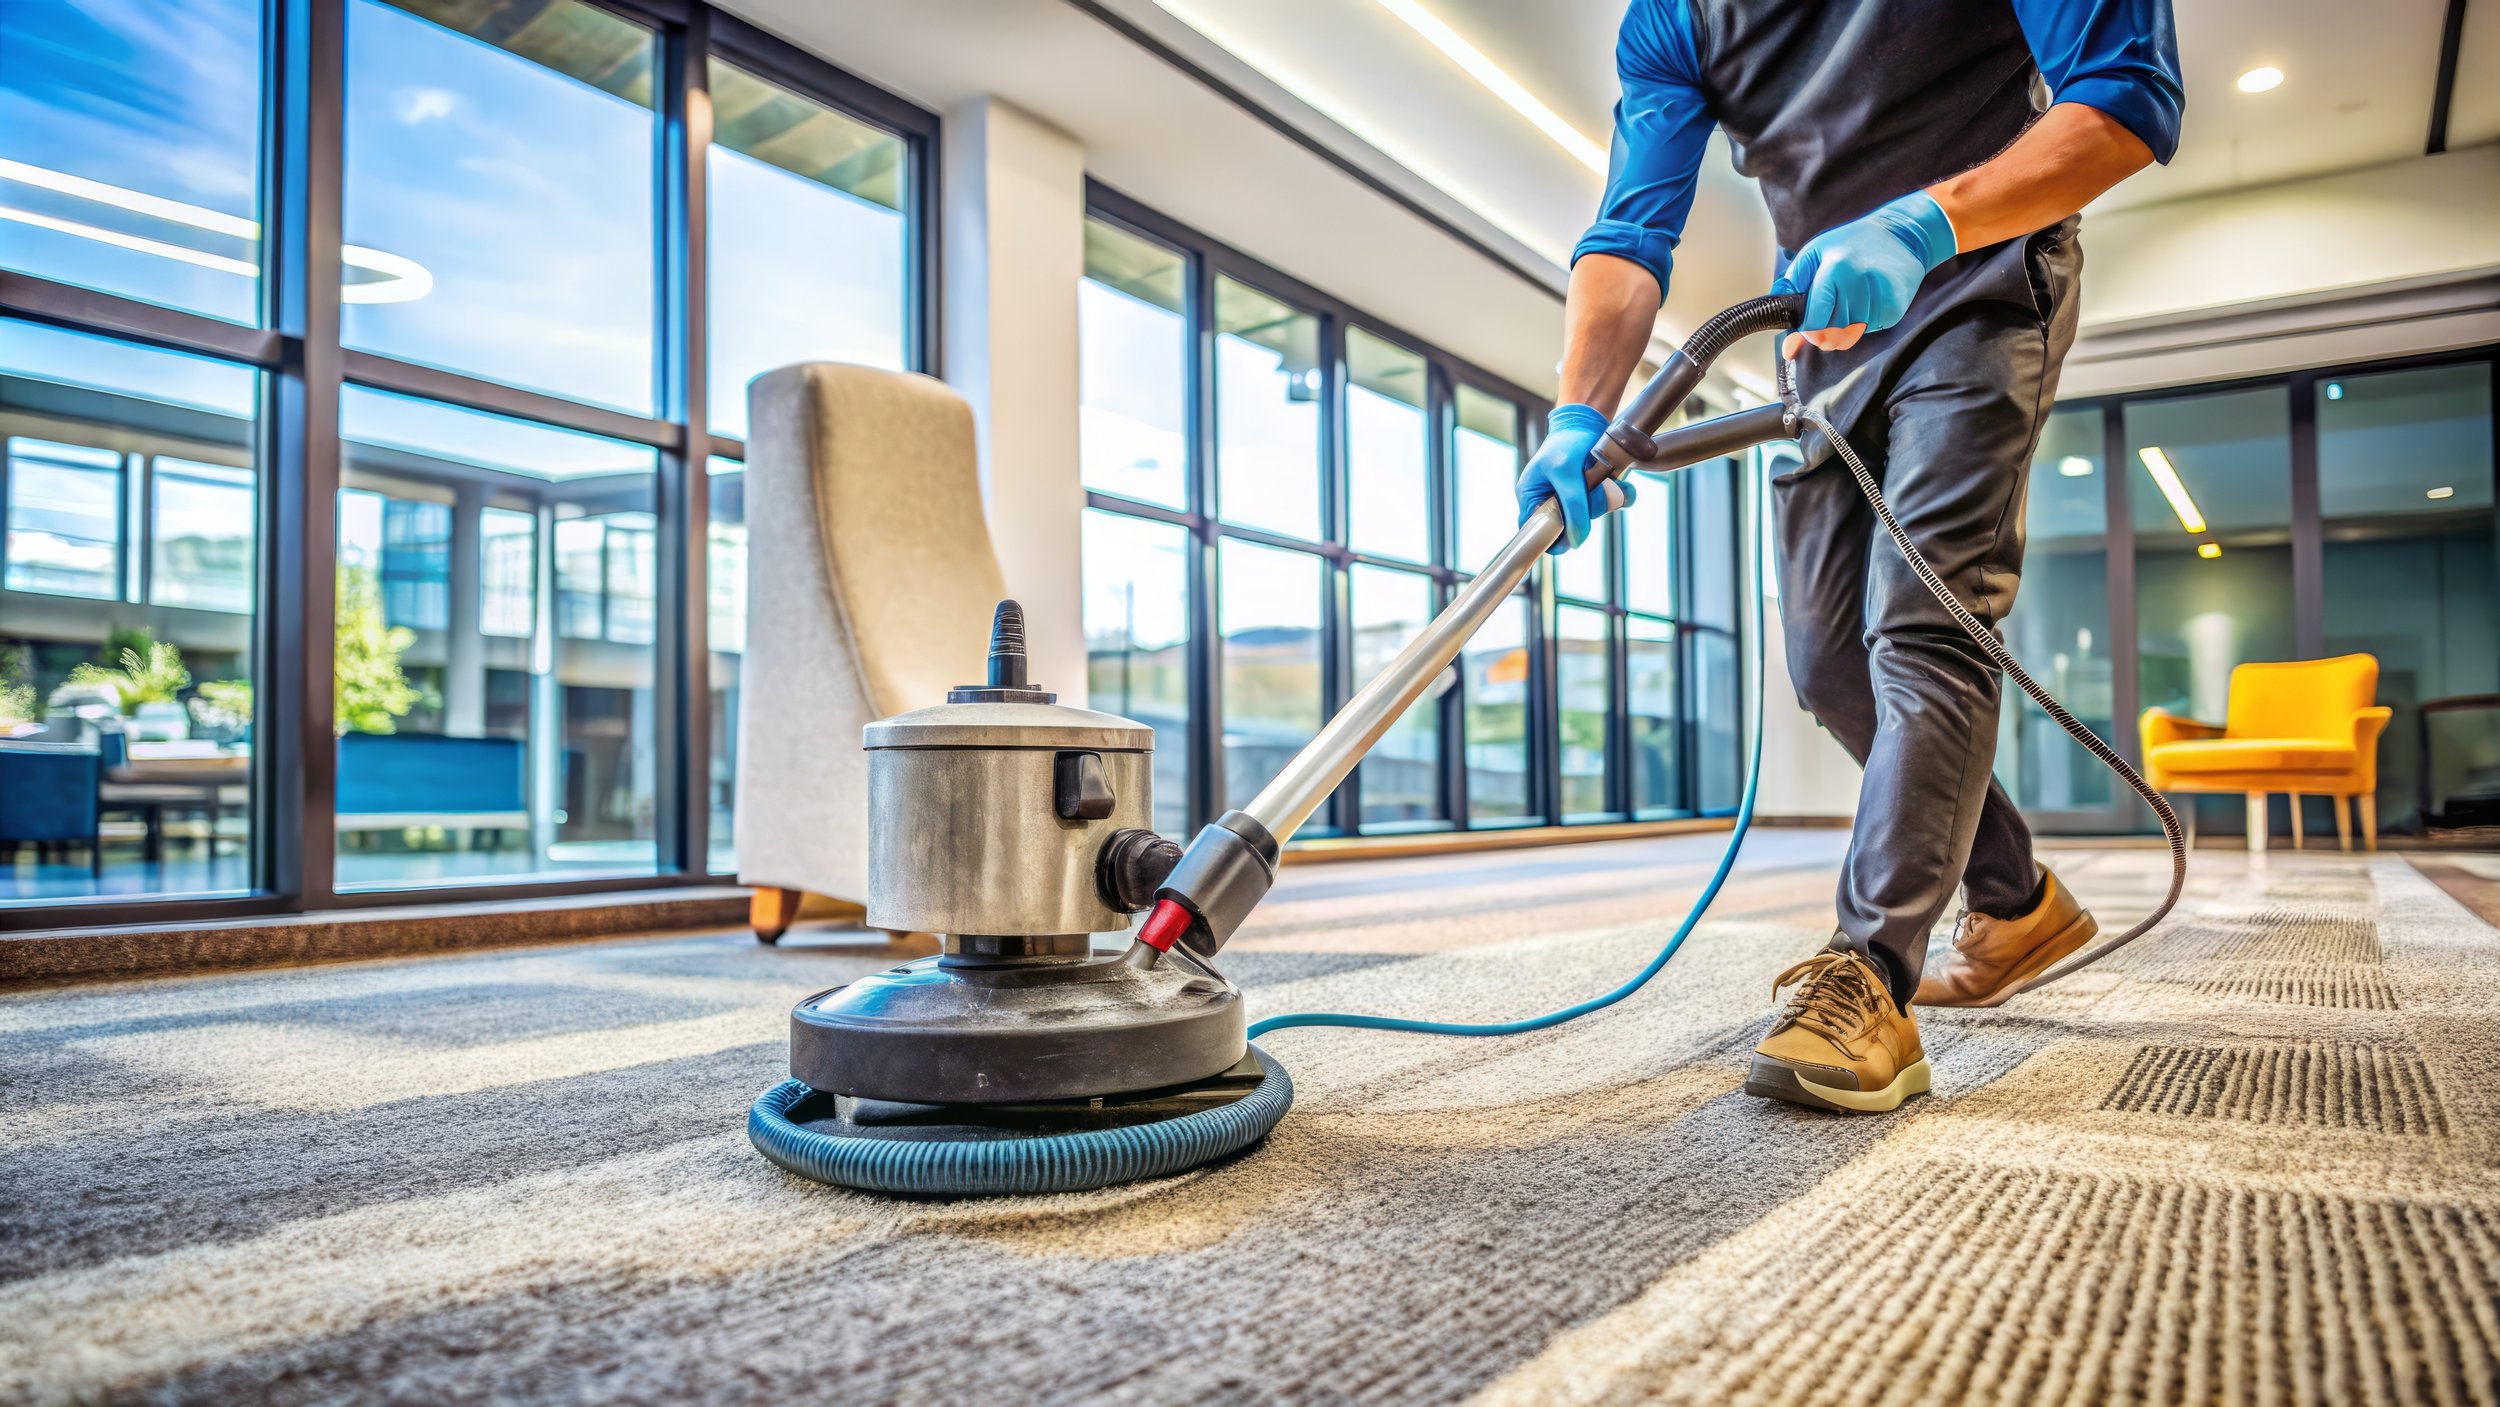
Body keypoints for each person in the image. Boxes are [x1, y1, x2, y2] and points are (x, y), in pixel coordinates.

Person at [1521, 0, 2182, 1113]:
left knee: (1926, 621)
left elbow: (2125, 99)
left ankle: (1868, 972)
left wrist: (1926, 224)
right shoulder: (1674, 17)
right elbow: (1631, 235)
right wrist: (1577, 415)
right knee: (1830, 665)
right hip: (1821, 336)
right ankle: (2017, 902)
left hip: (1979, 285)